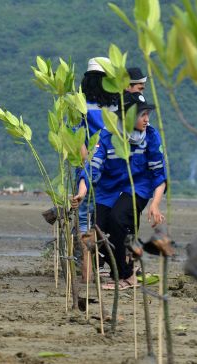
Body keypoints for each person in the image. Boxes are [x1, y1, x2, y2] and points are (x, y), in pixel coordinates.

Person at [72, 92, 167, 290]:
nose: (147, 119)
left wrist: (155, 204)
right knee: (97, 228)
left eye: (147, 114)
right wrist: (81, 193)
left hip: (137, 188)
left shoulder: (150, 136)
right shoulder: (107, 136)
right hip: (108, 191)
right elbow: (91, 169)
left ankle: (128, 276)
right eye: (142, 115)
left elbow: (159, 174)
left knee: (118, 218)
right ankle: (117, 269)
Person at [77, 57, 119, 234]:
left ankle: (85, 254)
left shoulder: (81, 103)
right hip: (111, 163)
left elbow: (77, 136)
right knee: (104, 210)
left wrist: (86, 163)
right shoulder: (117, 104)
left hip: (90, 162)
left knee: (85, 213)